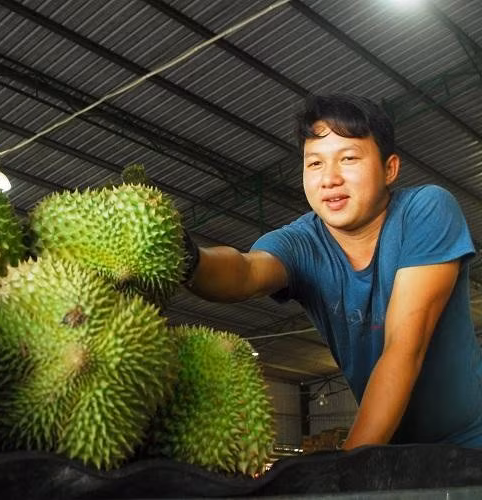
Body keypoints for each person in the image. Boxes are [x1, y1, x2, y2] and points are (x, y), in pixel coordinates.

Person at [182, 93, 482, 449]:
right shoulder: (301, 242)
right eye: (315, 163)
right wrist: (187, 256)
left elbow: (404, 348)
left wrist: (347, 467)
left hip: (471, 439)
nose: (329, 179)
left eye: (349, 158)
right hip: (392, 449)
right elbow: (245, 273)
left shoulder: (427, 210)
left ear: (389, 169)